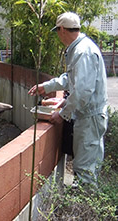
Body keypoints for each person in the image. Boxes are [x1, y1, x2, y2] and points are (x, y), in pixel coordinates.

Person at [28, 12, 108, 187]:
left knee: (85, 169)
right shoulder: (80, 48)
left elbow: (82, 92)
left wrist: (63, 113)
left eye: (57, 32)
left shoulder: (82, 52)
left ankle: (85, 211)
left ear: (62, 29)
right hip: (88, 117)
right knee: (87, 164)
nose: (58, 36)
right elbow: (71, 79)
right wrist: (47, 86)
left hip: (89, 118)